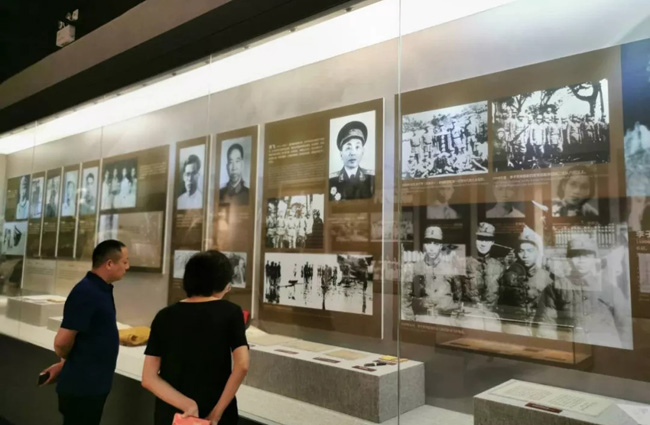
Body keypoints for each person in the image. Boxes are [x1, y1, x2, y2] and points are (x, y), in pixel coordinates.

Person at [142, 251, 249, 425]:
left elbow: (148, 378)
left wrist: (188, 405)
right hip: (214, 409)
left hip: (173, 413)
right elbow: (242, 365)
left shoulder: (164, 316)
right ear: (222, 282)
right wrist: (216, 413)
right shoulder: (231, 312)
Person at [39, 240, 130, 425]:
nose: (127, 267)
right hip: (83, 388)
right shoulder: (87, 292)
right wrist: (70, 363)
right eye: (124, 262)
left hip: (92, 384)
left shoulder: (100, 289)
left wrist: (65, 365)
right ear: (110, 264)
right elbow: (61, 342)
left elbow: (84, 338)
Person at [535, 235, 632, 347]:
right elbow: (546, 324)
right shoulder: (555, 288)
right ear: (568, 259)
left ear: (594, 258)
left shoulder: (609, 288)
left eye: (586, 256)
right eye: (576, 255)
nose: (581, 260)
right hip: (571, 348)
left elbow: (624, 325)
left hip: (604, 347)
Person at [498, 226, 553, 332]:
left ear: (537, 252)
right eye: (521, 251)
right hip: (515, 327)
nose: (525, 255)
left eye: (530, 251)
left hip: (538, 327)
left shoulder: (547, 277)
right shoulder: (509, 275)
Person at [462, 223, 505, 310]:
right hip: (471, 313)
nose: (483, 244)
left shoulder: (499, 267)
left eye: (487, 240)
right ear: (476, 241)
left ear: (492, 242)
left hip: (492, 313)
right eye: (480, 239)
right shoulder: (465, 264)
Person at [329, 121, 375, 201]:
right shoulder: (331, 180)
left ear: (363, 151)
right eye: (348, 148)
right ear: (341, 153)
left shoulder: (372, 178)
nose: (353, 153)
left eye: (357, 147)